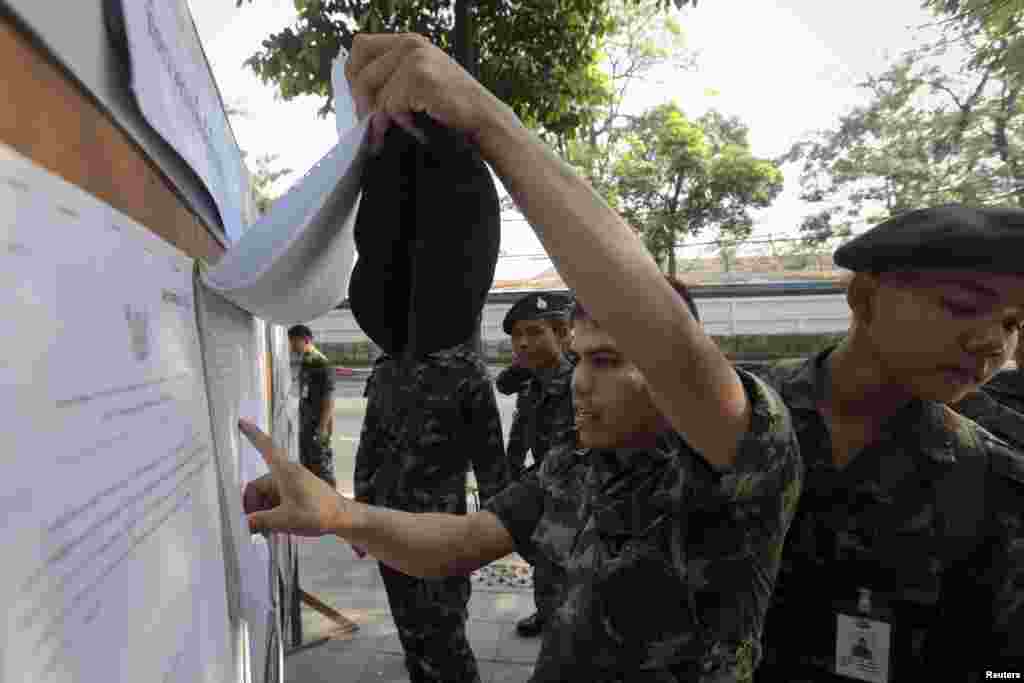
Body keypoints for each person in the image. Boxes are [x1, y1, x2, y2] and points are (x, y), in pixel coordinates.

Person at [238, 31, 804, 681]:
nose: (580, 383)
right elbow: (463, 541)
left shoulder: (739, 464)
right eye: (584, 359)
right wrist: (341, 513)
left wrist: (484, 118)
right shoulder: (577, 469)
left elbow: (665, 334)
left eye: (611, 360)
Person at [751, 205, 1024, 681]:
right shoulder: (739, 420)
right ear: (864, 296)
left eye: (1011, 323)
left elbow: (1001, 668)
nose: (992, 344)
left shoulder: (989, 478)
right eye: (962, 305)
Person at [352, 339, 507, 683]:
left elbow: (490, 459)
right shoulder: (387, 367)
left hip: (441, 528)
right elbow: (369, 446)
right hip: (388, 524)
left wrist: (500, 529)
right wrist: (359, 520)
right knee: (410, 631)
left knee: (445, 634)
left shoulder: (468, 371)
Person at [498, 291, 576, 638]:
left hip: (576, 490)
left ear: (562, 334)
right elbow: (519, 434)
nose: (522, 343)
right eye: (517, 336)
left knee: (561, 556)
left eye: (534, 333)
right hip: (545, 484)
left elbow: (569, 456)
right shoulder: (532, 381)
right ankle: (548, 612)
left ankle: (567, 619)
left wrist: (518, 494)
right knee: (544, 556)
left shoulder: (579, 381)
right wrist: (508, 473)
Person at [287, 324, 336, 487]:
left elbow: (329, 399)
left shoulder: (321, 363)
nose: (292, 346)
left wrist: (322, 429)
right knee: (309, 470)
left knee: (323, 471)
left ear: (306, 340)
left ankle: (333, 508)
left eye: (294, 342)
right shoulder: (307, 362)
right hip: (307, 426)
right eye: (291, 342)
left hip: (317, 428)